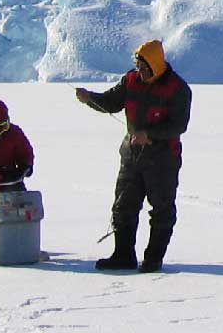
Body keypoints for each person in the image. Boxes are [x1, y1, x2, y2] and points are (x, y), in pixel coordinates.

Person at [75, 39, 192, 273]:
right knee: (123, 206)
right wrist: (90, 98)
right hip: (131, 155)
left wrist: (149, 134)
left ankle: (153, 259)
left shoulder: (178, 88)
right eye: (138, 64)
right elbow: (111, 102)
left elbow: (179, 125)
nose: (140, 70)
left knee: (161, 209)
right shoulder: (130, 80)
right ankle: (123, 255)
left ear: (156, 64)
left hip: (163, 159)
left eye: (144, 66)